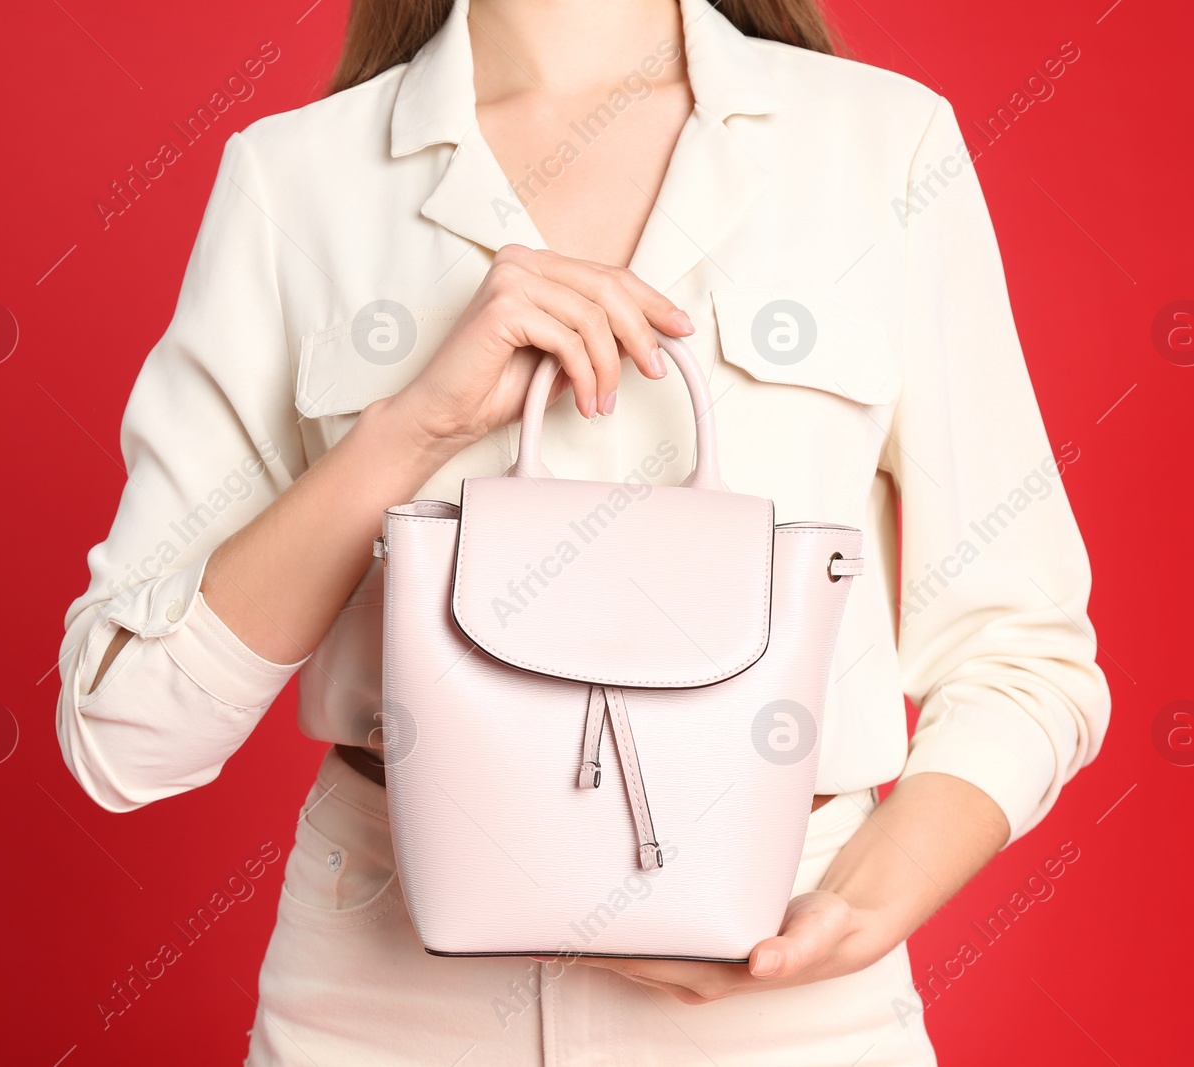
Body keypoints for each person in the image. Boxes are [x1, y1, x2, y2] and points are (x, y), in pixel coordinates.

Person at [55, 0, 1110, 1062]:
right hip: (377, 1009)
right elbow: (127, 732)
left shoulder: (881, 146)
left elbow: (1022, 652)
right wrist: (415, 427)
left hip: (784, 1010)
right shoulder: (297, 178)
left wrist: (855, 907)